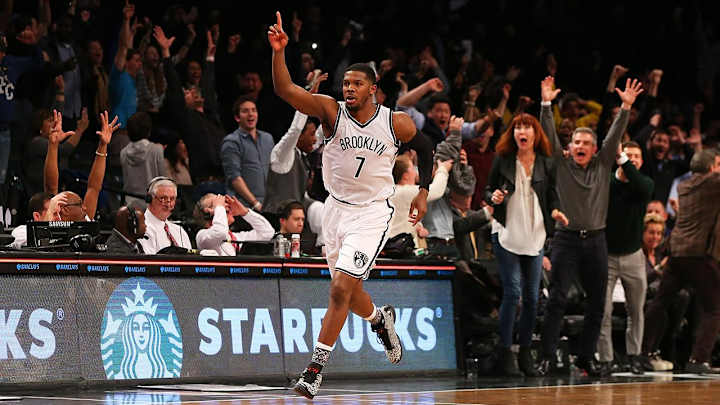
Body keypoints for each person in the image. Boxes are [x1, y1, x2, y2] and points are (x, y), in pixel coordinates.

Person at [269, 12, 434, 399]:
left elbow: (425, 147)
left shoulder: (395, 123)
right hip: (335, 211)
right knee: (348, 291)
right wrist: (278, 52)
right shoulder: (331, 111)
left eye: (357, 83)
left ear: (373, 88)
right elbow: (285, 90)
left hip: (372, 213)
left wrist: (423, 191)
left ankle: (313, 372)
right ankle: (380, 319)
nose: (348, 88)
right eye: (345, 83)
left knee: (340, 289)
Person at [538, 76, 643, 376]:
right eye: (577, 143)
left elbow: (614, 135)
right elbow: (548, 135)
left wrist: (626, 107)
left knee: (597, 303)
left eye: (586, 143)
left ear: (595, 149)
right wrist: (546, 104)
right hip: (566, 239)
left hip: (596, 240)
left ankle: (586, 357)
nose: (581, 146)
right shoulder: (561, 164)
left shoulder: (602, 163)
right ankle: (547, 356)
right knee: (557, 299)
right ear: (570, 147)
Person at [485, 112, 563, 377]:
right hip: (507, 231)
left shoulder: (546, 163)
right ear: (513, 133)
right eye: (518, 127)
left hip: (534, 234)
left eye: (527, 127)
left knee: (532, 297)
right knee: (513, 293)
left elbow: (552, 196)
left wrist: (556, 212)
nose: (522, 131)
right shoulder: (503, 159)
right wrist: (494, 197)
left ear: (535, 134)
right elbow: (488, 189)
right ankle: (505, 352)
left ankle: (526, 351)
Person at [641, 149, 720, 374]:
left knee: (660, 302)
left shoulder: (685, 185)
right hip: (699, 254)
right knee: (713, 309)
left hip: (677, 252)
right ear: (711, 167)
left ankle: (643, 352)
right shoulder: (711, 183)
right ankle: (698, 359)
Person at [597, 141, 654, 375]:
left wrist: (623, 158)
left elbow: (640, 186)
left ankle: (634, 356)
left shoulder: (645, 184)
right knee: (604, 310)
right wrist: (620, 159)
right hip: (607, 255)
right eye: (628, 155)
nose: (632, 160)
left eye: (636, 156)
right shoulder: (606, 182)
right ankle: (605, 359)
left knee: (636, 310)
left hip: (633, 256)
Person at [220, 96, 275, 210]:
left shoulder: (268, 138)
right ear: (237, 117)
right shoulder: (231, 142)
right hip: (243, 206)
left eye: (253, 110)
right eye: (245, 111)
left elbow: (274, 170)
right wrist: (255, 203)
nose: (251, 114)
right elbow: (235, 178)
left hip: (268, 204)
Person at [388, 155, 451, 248]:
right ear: (405, 176)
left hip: (397, 245)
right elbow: (436, 190)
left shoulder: (394, 192)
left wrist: (417, 226)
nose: (415, 172)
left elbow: (402, 217)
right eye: (412, 168)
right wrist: (443, 169)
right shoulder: (405, 192)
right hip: (400, 248)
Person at [194, 193, 274, 255]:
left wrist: (245, 213)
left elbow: (267, 233)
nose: (226, 204)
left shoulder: (234, 237)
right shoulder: (202, 236)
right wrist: (219, 207)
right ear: (208, 213)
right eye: (217, 202)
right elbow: (220, 233)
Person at [120, 112, 167, 209]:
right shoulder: (156, 150)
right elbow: (163, 181)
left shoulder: (123, 152)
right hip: (152, 206)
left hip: (130, 206)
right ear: (148, 130)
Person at [138, 176, 192, 254]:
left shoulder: (179, 231)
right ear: (149, 198)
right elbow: (148, 260)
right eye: (163, 198)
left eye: (172, 199)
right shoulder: (142, 229)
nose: (168, 204)